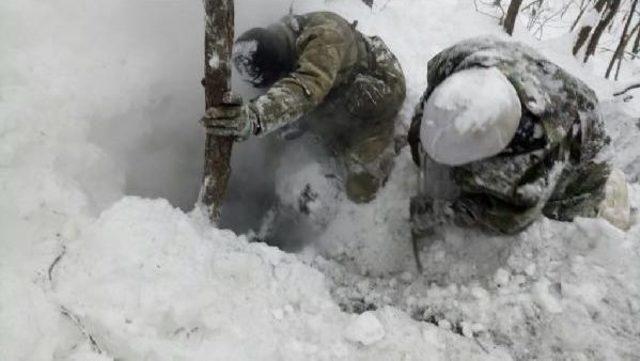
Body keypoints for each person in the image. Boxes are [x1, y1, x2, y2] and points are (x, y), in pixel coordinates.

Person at [408, 37, 630, 242]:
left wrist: (457, 211)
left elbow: (514, 215)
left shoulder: (542, 144)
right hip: (524, 70)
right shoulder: (457, 60)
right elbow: (430, 108)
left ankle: (611, 194)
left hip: (582, 131)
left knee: (564, 205)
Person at [202, 11, 406, 204]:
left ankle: (381, 140)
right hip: (333, 88)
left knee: (360, 189)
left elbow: (308, 85)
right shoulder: (279, 41)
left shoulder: (326, 37)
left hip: (375, 91)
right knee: (276, 134)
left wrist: (256, 116)